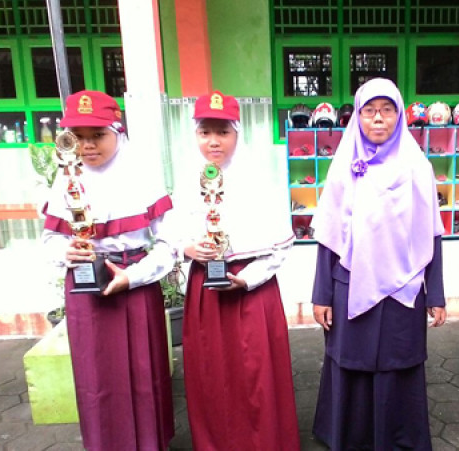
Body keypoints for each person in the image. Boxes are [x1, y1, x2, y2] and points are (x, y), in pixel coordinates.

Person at [310, 77, 447, 450]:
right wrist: (321, 295)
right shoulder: (344, 167)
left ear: (399, 116)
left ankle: (397, 439)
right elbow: (328, 237)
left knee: (398, 361)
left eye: (387, 110)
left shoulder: (418, 167)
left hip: (404, 289)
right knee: (350, 360)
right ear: (357, 116)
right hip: (350, 284)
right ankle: (350, 437)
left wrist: (436, 294)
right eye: (369, 110)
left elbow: (432, 233)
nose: (378, 118)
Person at [41, 90, 175, 450]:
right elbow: (50, 239)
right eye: (78, 136)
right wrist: (67, 251)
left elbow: (171, 242)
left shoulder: (141, 175)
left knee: (143, 372)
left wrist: (134, 276)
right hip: (85, 290)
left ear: (117, 131)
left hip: (135, 284)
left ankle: (150, 444)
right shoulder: (66, 177)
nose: (88, 145)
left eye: (98, 135)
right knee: (95, 375)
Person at [176, 91, 299, 450]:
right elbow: (171, 233)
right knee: (211, 372)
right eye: (205, 132)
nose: (213, 141)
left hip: (251, 291)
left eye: (222, 132)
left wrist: (247, 279)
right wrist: (187, 248)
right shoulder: (187, 180)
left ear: (237, 134)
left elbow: (281, 247)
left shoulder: (260, 180)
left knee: (256, 374)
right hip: (206, 290)